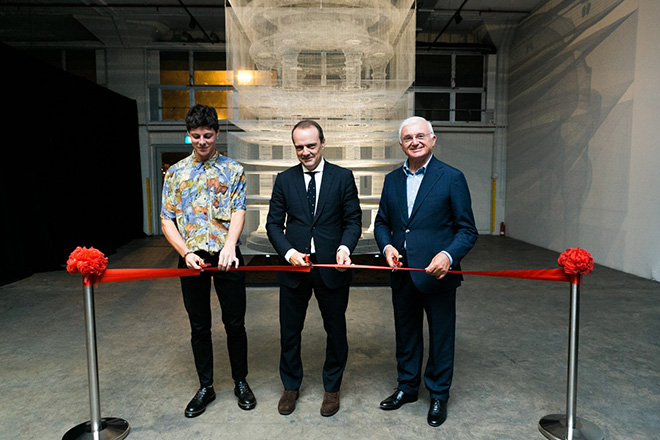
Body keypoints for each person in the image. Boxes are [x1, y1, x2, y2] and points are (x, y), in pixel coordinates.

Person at [374, 116, 478, 427]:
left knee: (441, 337)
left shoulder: (452, 177)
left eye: (421, 136)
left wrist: (448, 255)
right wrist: (387, 247)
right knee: (406, 335)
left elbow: (467, 230)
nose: (415, 141)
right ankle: (407, 388)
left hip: (439, 275)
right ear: (401, 144)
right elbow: (382, 222)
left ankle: (438, 395)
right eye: (408, 138)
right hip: (402, 272)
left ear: (433, 140)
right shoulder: (392, 180)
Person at [161, 104, 256, 418]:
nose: (202, 141)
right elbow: (166, 220)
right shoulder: (175, 173)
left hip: (227, 255)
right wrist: (185, 253)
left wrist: (230, 245)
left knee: (235, 324)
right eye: (196, 136)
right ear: (188, 136)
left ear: (217, 133)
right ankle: (206, 386)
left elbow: (239, 210)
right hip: (191, 259)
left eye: (208, 135)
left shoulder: (233, 170)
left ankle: (240, 381)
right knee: (199, 326)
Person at [266, 119, 362, 417]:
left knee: (335, 331)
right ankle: (291, 385)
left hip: (332, 268)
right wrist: (289, 252)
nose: (305, 152)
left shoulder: (343, 177)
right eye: (299, 147)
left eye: (310, 145)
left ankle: (331, 388)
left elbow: (353, 220)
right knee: (290, 332)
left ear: (322, 143)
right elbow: (273, 224)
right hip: (294, 269)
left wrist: (344, 248)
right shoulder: (284, 179)